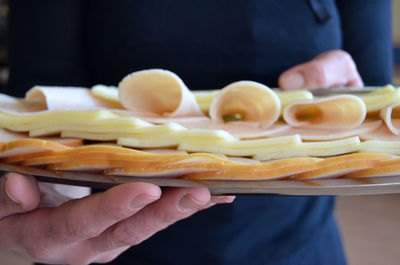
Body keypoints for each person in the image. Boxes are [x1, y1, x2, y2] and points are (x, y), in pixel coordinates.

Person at [1, 0, 392, 264]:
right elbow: (38, 95)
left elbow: (374, 86)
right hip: (114, 240)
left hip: (297, 244)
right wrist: (46, 199)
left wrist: (346, 96)